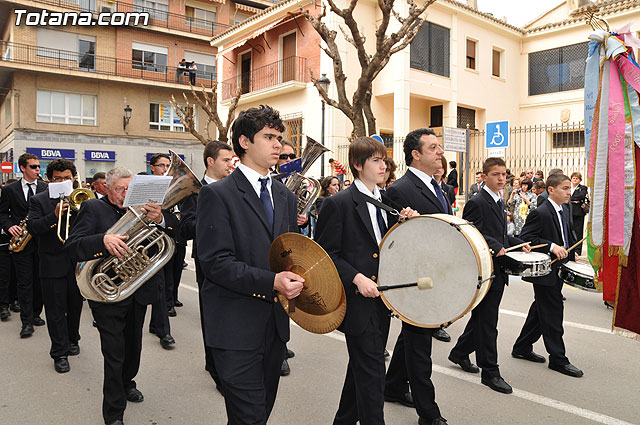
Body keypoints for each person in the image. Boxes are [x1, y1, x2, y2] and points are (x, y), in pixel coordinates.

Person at [197, 105, 303, 425]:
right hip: (234, 328)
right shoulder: (217, 195)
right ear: (244, 142)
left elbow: (289, 254)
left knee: (257, 416)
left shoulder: (285, 196)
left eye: (279, 138)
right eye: (268, 137)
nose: (278, 145)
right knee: (250, 418)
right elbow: (215, 264)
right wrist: (272, 282)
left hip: (273, 329)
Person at [315, 136, 416, 425]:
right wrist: (357, 278)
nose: (384, 165)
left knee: (362, 367)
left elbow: (384, 247)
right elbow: (326, 255)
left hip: (382, 301)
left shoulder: (386, 200)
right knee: (372, 373)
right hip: (357, 302)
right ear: (358, 165)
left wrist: (405, 224)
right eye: (376, 160)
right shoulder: (339, 203)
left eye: (384, 159)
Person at [65, 167, 175, 425]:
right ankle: (113, 413)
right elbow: (72, 246)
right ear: (106, 187)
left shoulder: (145, 210)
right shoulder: (93, 209)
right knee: (114, 354)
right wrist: (102, 240)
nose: (125, 195)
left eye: (129, 190)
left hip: (137, 290)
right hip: (107, 295)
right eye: (119, 189)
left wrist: (160, 220)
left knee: (133, 347)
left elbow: (177, 232)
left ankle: (127, 383)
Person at [384, 128, 450, 425]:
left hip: (436, 276)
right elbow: (396, 243)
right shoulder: (400, 190)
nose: (440, 152)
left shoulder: (439, 187)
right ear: (416, 154)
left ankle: (393, 386)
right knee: (420, 347)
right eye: (433, 147)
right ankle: (429, 413)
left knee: (413, 338)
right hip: (416, 281)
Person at [448, 157, 529, 394]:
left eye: (504, 174)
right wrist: (494, 245)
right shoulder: (478, 201)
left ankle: (460, 352)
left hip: (498, 269)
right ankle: (490, 372)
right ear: (484, 176)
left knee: (483, 318)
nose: (502, 178)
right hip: (485, 271)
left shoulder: (498, 199)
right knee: (488, 323)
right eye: (496, 174)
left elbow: (499, 235)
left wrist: (518, 242)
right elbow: (472, 231)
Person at [512, 173, 584, 378]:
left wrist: (571, 251)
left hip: (559, 268)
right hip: (545, 272)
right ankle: (558, 359)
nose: (569, 192)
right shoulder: (541, 212)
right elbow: (526, 239)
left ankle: (522, 347)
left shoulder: (565, 209)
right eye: (564, 188)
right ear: (551, 190)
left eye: (570, 188)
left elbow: (566, 234)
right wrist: (552, 247)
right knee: (553, 313)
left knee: (540, 310)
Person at [180, 140, 233, 391]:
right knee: (212, 316)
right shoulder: (194, 191)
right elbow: (187, 227)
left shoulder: (234, 188)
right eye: (226, 160)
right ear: (210, 161)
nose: (231, 164)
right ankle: (214, 367)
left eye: (232, 160)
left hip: (233, 260)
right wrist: (210, 213)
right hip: (208, 263)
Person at [27, 159, 83, 373]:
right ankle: (59, 353)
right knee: (55, 310)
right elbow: (33, 228)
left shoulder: (82, 199)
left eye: (66, 178)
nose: (62, 181)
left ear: (73, 178)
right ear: (50, 180)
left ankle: (72, 338)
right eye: (57, 179)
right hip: (51, 264)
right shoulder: (39, 200)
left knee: (75, 306)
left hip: (76, 263)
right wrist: (54, 215)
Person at [0, 153, 47, 338]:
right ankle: (26, 322)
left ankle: (36, 313)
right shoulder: (10, 189)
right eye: (33, 166)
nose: (38, 170)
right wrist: (9, 225)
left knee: (40, 281)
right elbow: (2, 213)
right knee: (24, 283)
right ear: (22, 168)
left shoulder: (45, 187)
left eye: (38, 166)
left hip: (42, 241)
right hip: (22, 243)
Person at [147, 153, 177, 349]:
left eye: (168, 165)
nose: (165, 169)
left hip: (167, 241)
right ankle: (162, 329)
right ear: (152, 167)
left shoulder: (174, 187)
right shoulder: (144, 183)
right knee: (157, 286)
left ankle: (159, 326)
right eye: (161, 165)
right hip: (145, 244)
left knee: (165, 285)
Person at [569, 172, 588, 256]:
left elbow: (581, 196)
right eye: (573, 178)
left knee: (578, 231)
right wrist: (573, 200)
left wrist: (572, 199)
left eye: (577, 178)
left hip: (578, 212)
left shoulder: (582, 188)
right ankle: (570, 248)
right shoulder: (569, 188)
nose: (575, 180)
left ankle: (578, 250)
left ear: (580, 180)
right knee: (570, 230)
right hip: (569, 211)